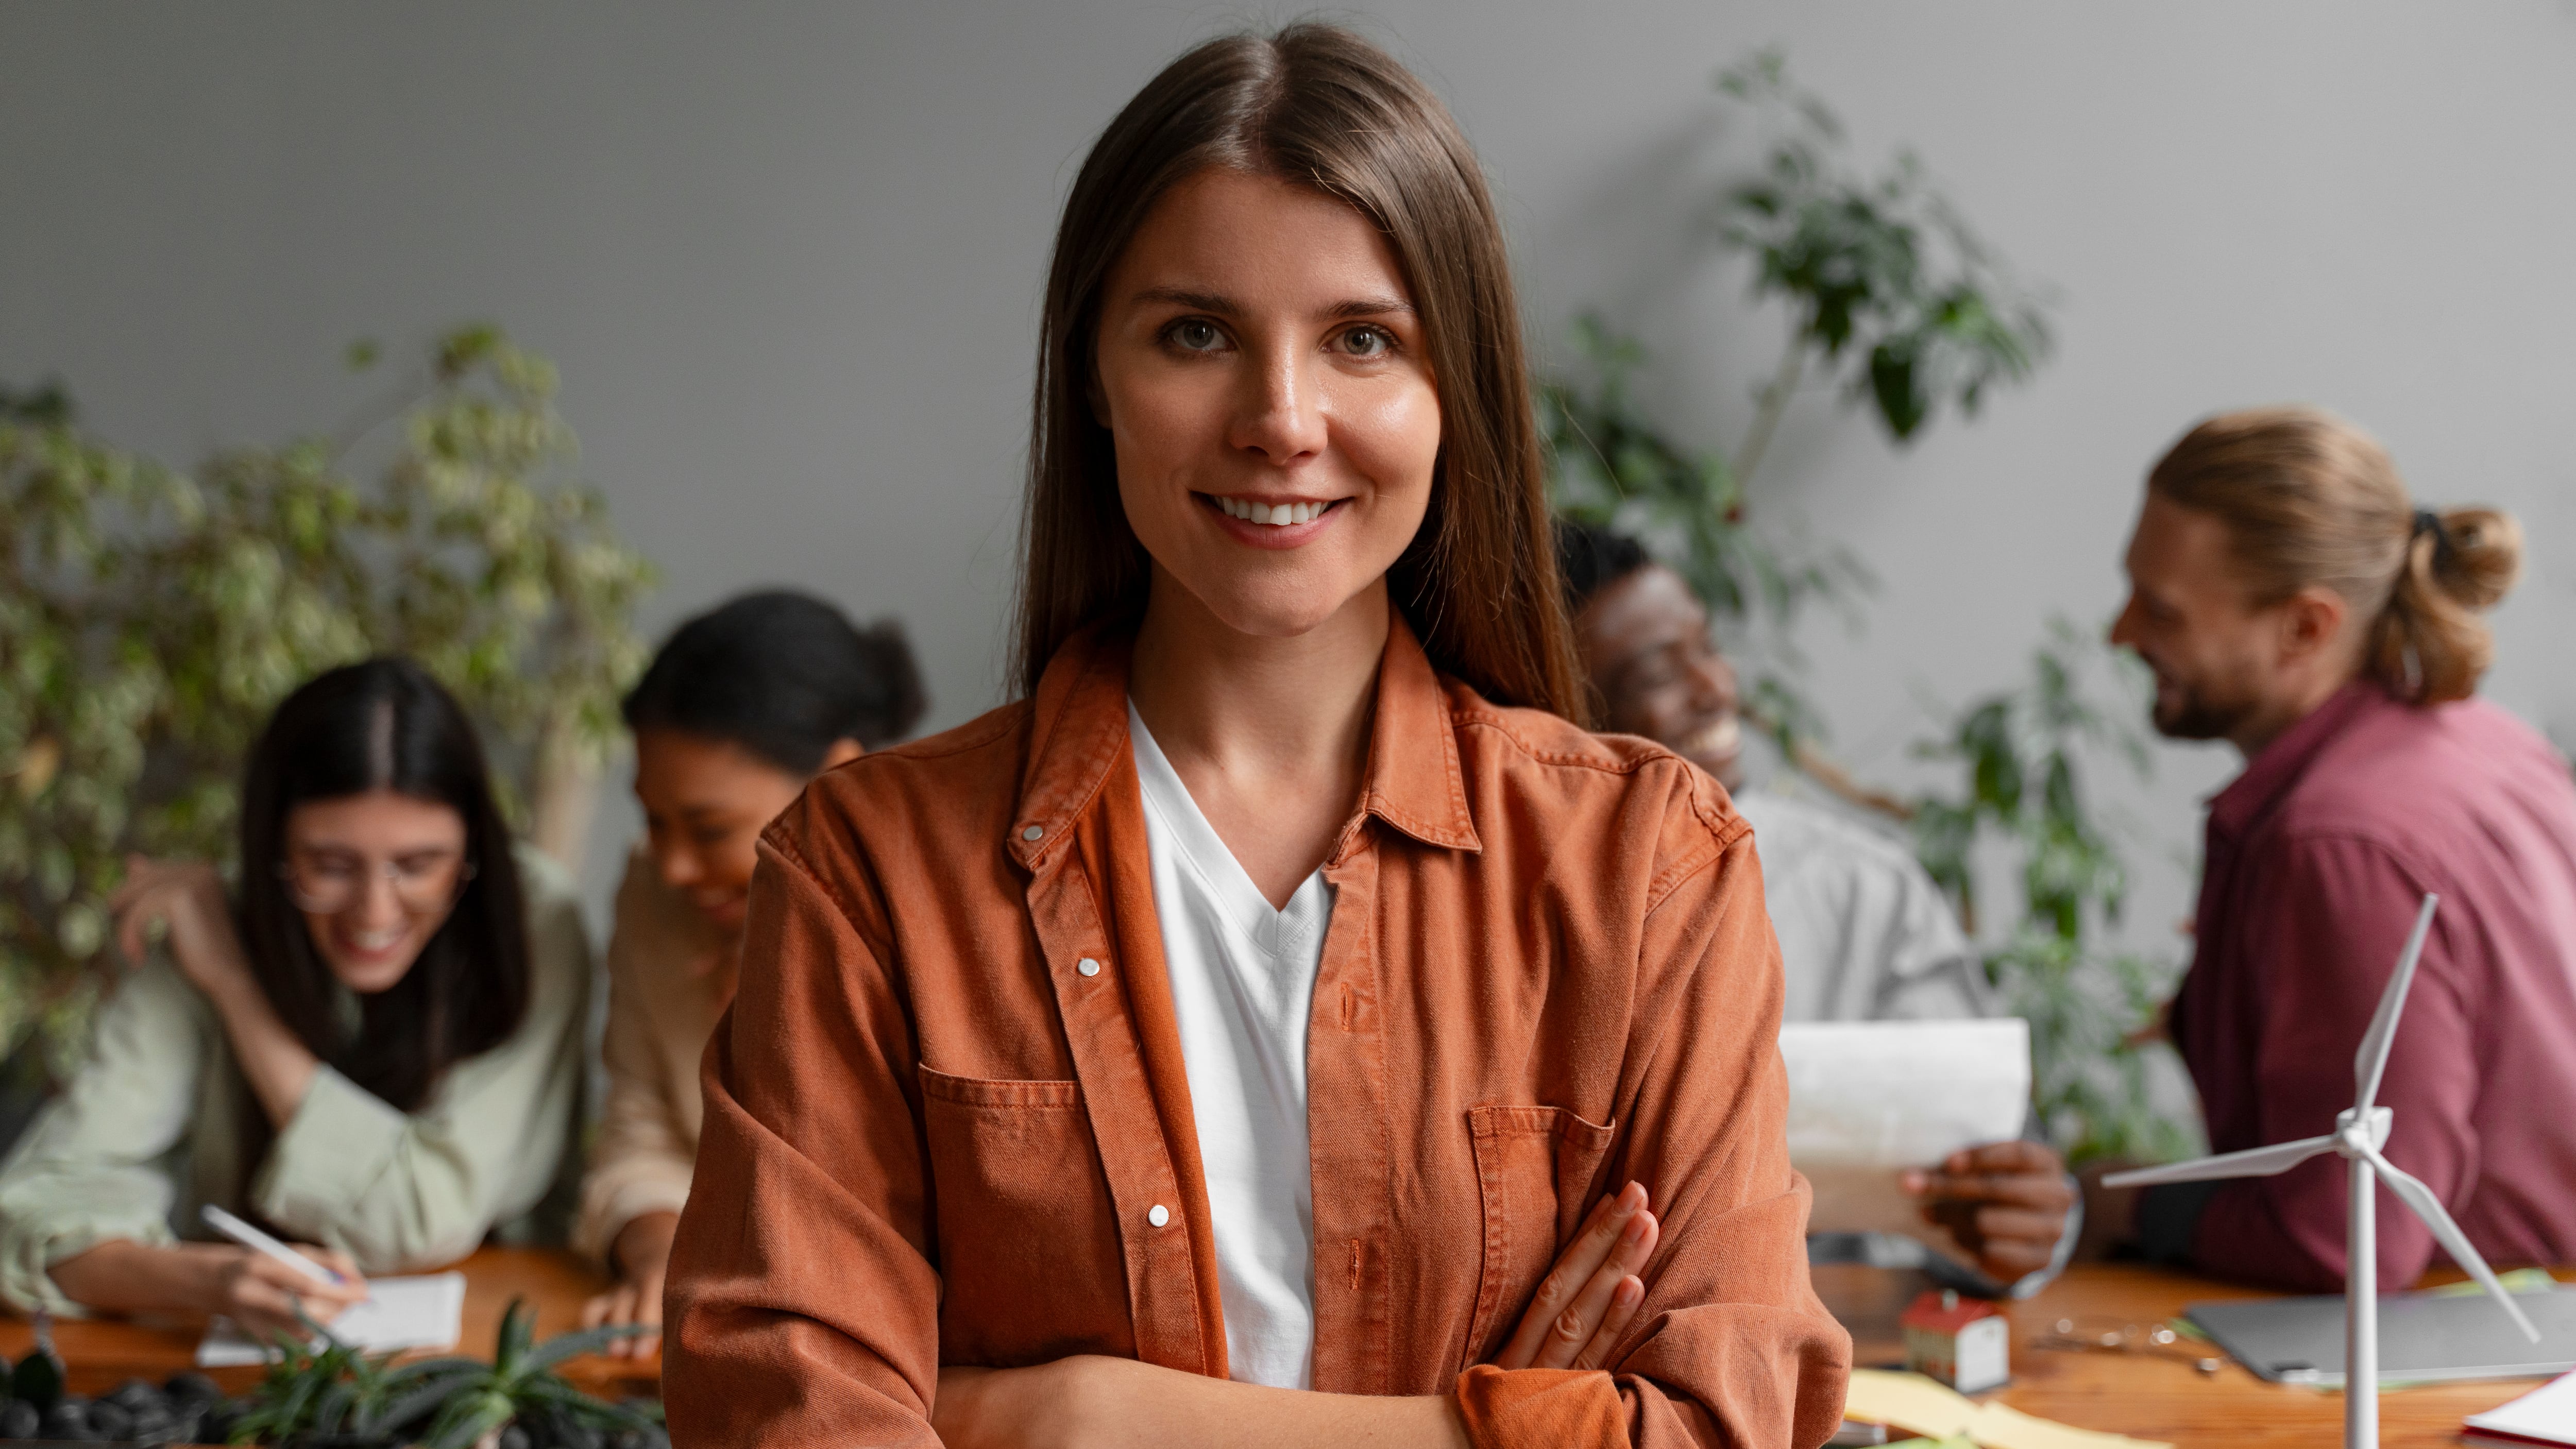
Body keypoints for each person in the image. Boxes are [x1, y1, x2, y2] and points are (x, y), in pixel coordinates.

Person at [663, 24, 1849, 1449]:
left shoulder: (1651, 865)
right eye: (1197, 334)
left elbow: (1729, 1416)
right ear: (1094, 375)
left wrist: (1087, 1415)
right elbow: (781, 1412)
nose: (1282, 421)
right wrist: (1502, 1426)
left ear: (1454, 389)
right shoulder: (868, 872)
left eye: (1363, 340)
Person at [2095, 405, 2576, 1291]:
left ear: (2307, 626)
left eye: (2161, 610)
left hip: (2459, 1347)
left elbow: (2345, 1238)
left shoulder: (2336, 843)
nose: (2120, 632)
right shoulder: (2494, 742)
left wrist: (2120, 1202)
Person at [1555, 519, 2076, 1293]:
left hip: (1844, 1341)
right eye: (1658, 674)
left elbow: (2000, 1192)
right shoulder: (1491, 925)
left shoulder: (1865, 891)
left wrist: (2017, 1226)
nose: (1717, 688)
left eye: (1708, 646)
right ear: (1557, 721)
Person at [0, 658, 591, 1337]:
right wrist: (211, 1282)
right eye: (331, 866)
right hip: (250, 1360)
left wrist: (235, 986)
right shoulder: (214, 916)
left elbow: (416, 1222)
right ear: (273, 845)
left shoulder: (535, 921)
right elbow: (33, 1211)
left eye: (418, 866)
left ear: (471, 849)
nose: (374, 912)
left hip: (501, 1343)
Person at [575, 589, 926, 1357]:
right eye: (654, 820)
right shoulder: (655, 899)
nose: (673, 865)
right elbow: (637, 1130)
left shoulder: (944, 926)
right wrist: (658, 1252)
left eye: (709, 829)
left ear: (839, 780)